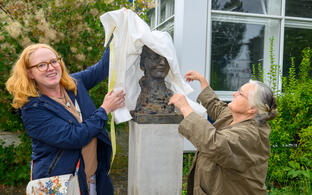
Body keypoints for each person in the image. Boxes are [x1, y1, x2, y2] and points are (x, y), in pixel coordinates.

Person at [5, 43, 125, 195]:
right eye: (41, 65)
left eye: (54, 61)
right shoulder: (32, 109)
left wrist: (119, 31)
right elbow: (74, 137)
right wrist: (105, 109)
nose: (50, 68)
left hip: (92, 178)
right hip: (63, 183)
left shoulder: (73, 84)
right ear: (29, 73)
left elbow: (103, 67)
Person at [169, 70, 278, 195]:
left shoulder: (251, 135)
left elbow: (215, 143)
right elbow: (215, 105)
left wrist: (185, 108)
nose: (234, 94)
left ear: (252, 109)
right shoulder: (234, 117)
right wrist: (202, 81)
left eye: (240, 94)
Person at [134, 45, 174, 114]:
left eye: (166, 59)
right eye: (155, 58)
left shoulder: (171, 96)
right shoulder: (141, 96)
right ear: (143, 63)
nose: (163, 63)